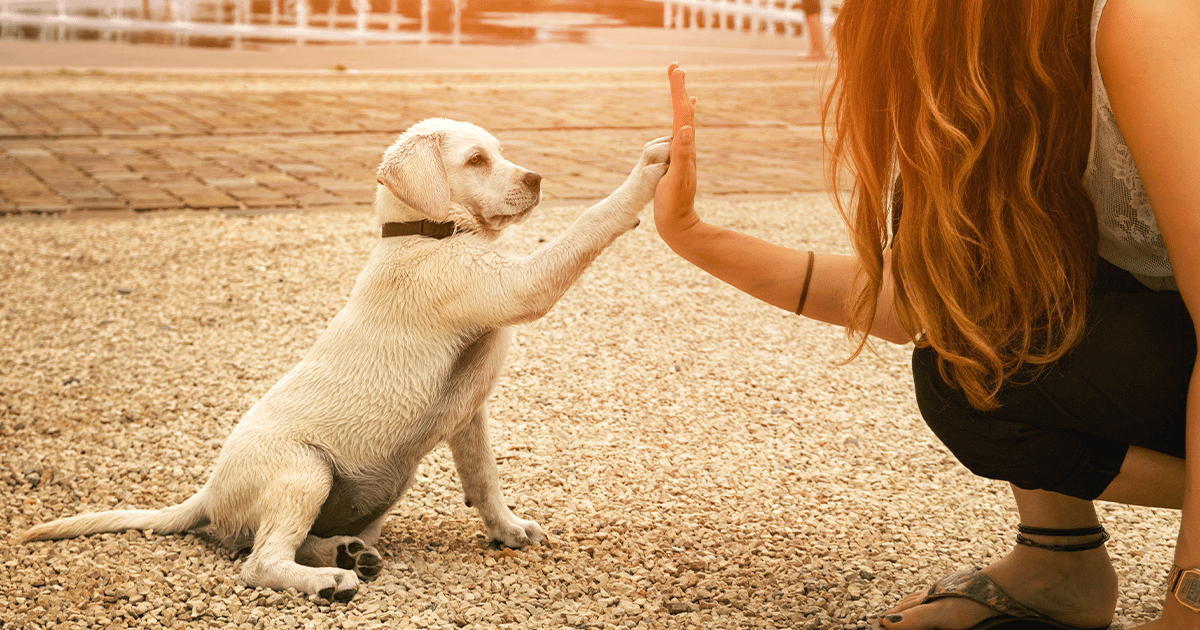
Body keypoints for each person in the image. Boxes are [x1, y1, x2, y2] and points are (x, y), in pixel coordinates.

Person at [652, 0, 1200, 626]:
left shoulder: (1146, 20)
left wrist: (1189, 607)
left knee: (979, 353)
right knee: (971, 366)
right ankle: (1058, 565)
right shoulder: (987, 64)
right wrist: (696, 236)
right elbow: (921, 307)